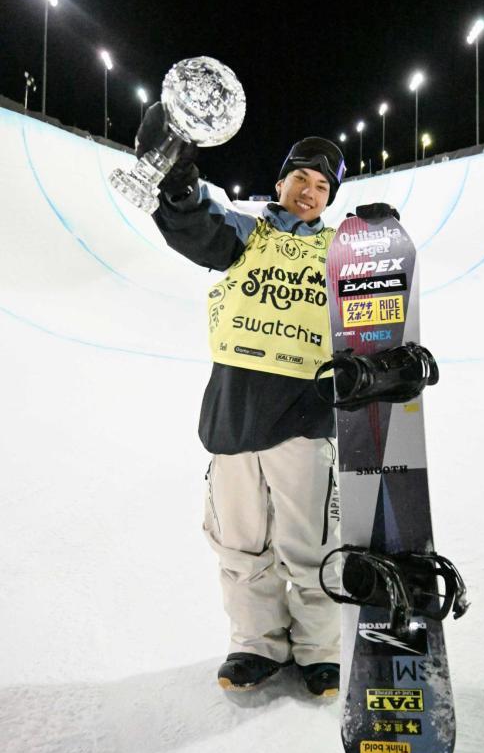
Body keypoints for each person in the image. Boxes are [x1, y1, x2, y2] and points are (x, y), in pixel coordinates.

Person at [135, 104, 345, 697]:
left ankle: (318, 649)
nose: (309, 191)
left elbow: (373, 312)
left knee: (310, 544)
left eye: (322, 185)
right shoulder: (247, 230)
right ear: (280, 182)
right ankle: (256, 644)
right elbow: (199, 226)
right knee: (240, 541)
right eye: (301, 177)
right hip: (233, 414)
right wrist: (177, 184)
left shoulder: (336, 250)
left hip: (304, 415)